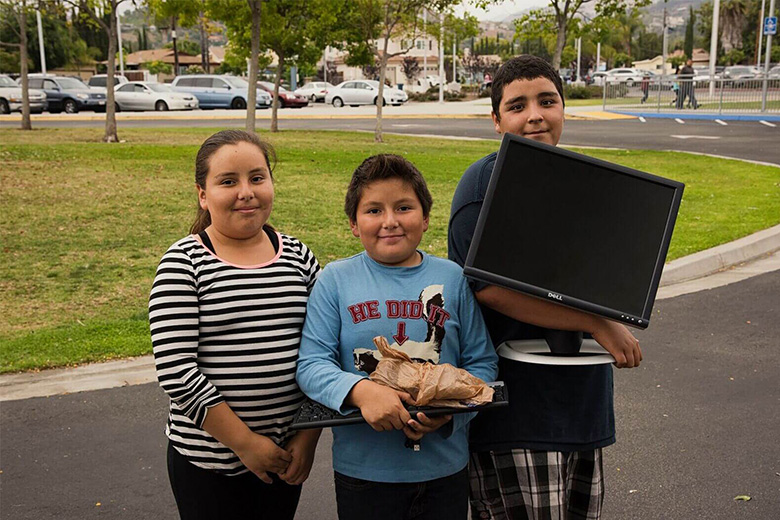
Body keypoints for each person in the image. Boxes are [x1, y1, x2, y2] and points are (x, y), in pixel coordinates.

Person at [448, 55, 642, 520]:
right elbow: (489, 290)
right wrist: (599, 324)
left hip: (582, 404)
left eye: (547, 100)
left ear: (563, 109)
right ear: (497, 121)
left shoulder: (585, 183)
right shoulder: (482, 185)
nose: (535, 114)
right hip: (516, 412)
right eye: (517, 105)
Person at [297, 154, 498, 520]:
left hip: (444, 470)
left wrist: (450, 414)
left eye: (403, 207)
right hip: (364, 474)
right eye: (373, 210)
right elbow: (311, 364)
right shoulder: (335, 281)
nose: (390, 221)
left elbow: (482, 362)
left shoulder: (451, 278)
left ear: (424, 218)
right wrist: (363, 392)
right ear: (353, 224)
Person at [149, 129, 322, 520]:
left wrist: (309, 436)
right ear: (203, 195)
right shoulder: (184, 263)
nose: (246, 191)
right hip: (207, 465)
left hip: (285, 455)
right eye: (228, 181)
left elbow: (325, 349)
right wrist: (244, 442)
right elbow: (176, 370)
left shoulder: (297, 256)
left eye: (257, 178)